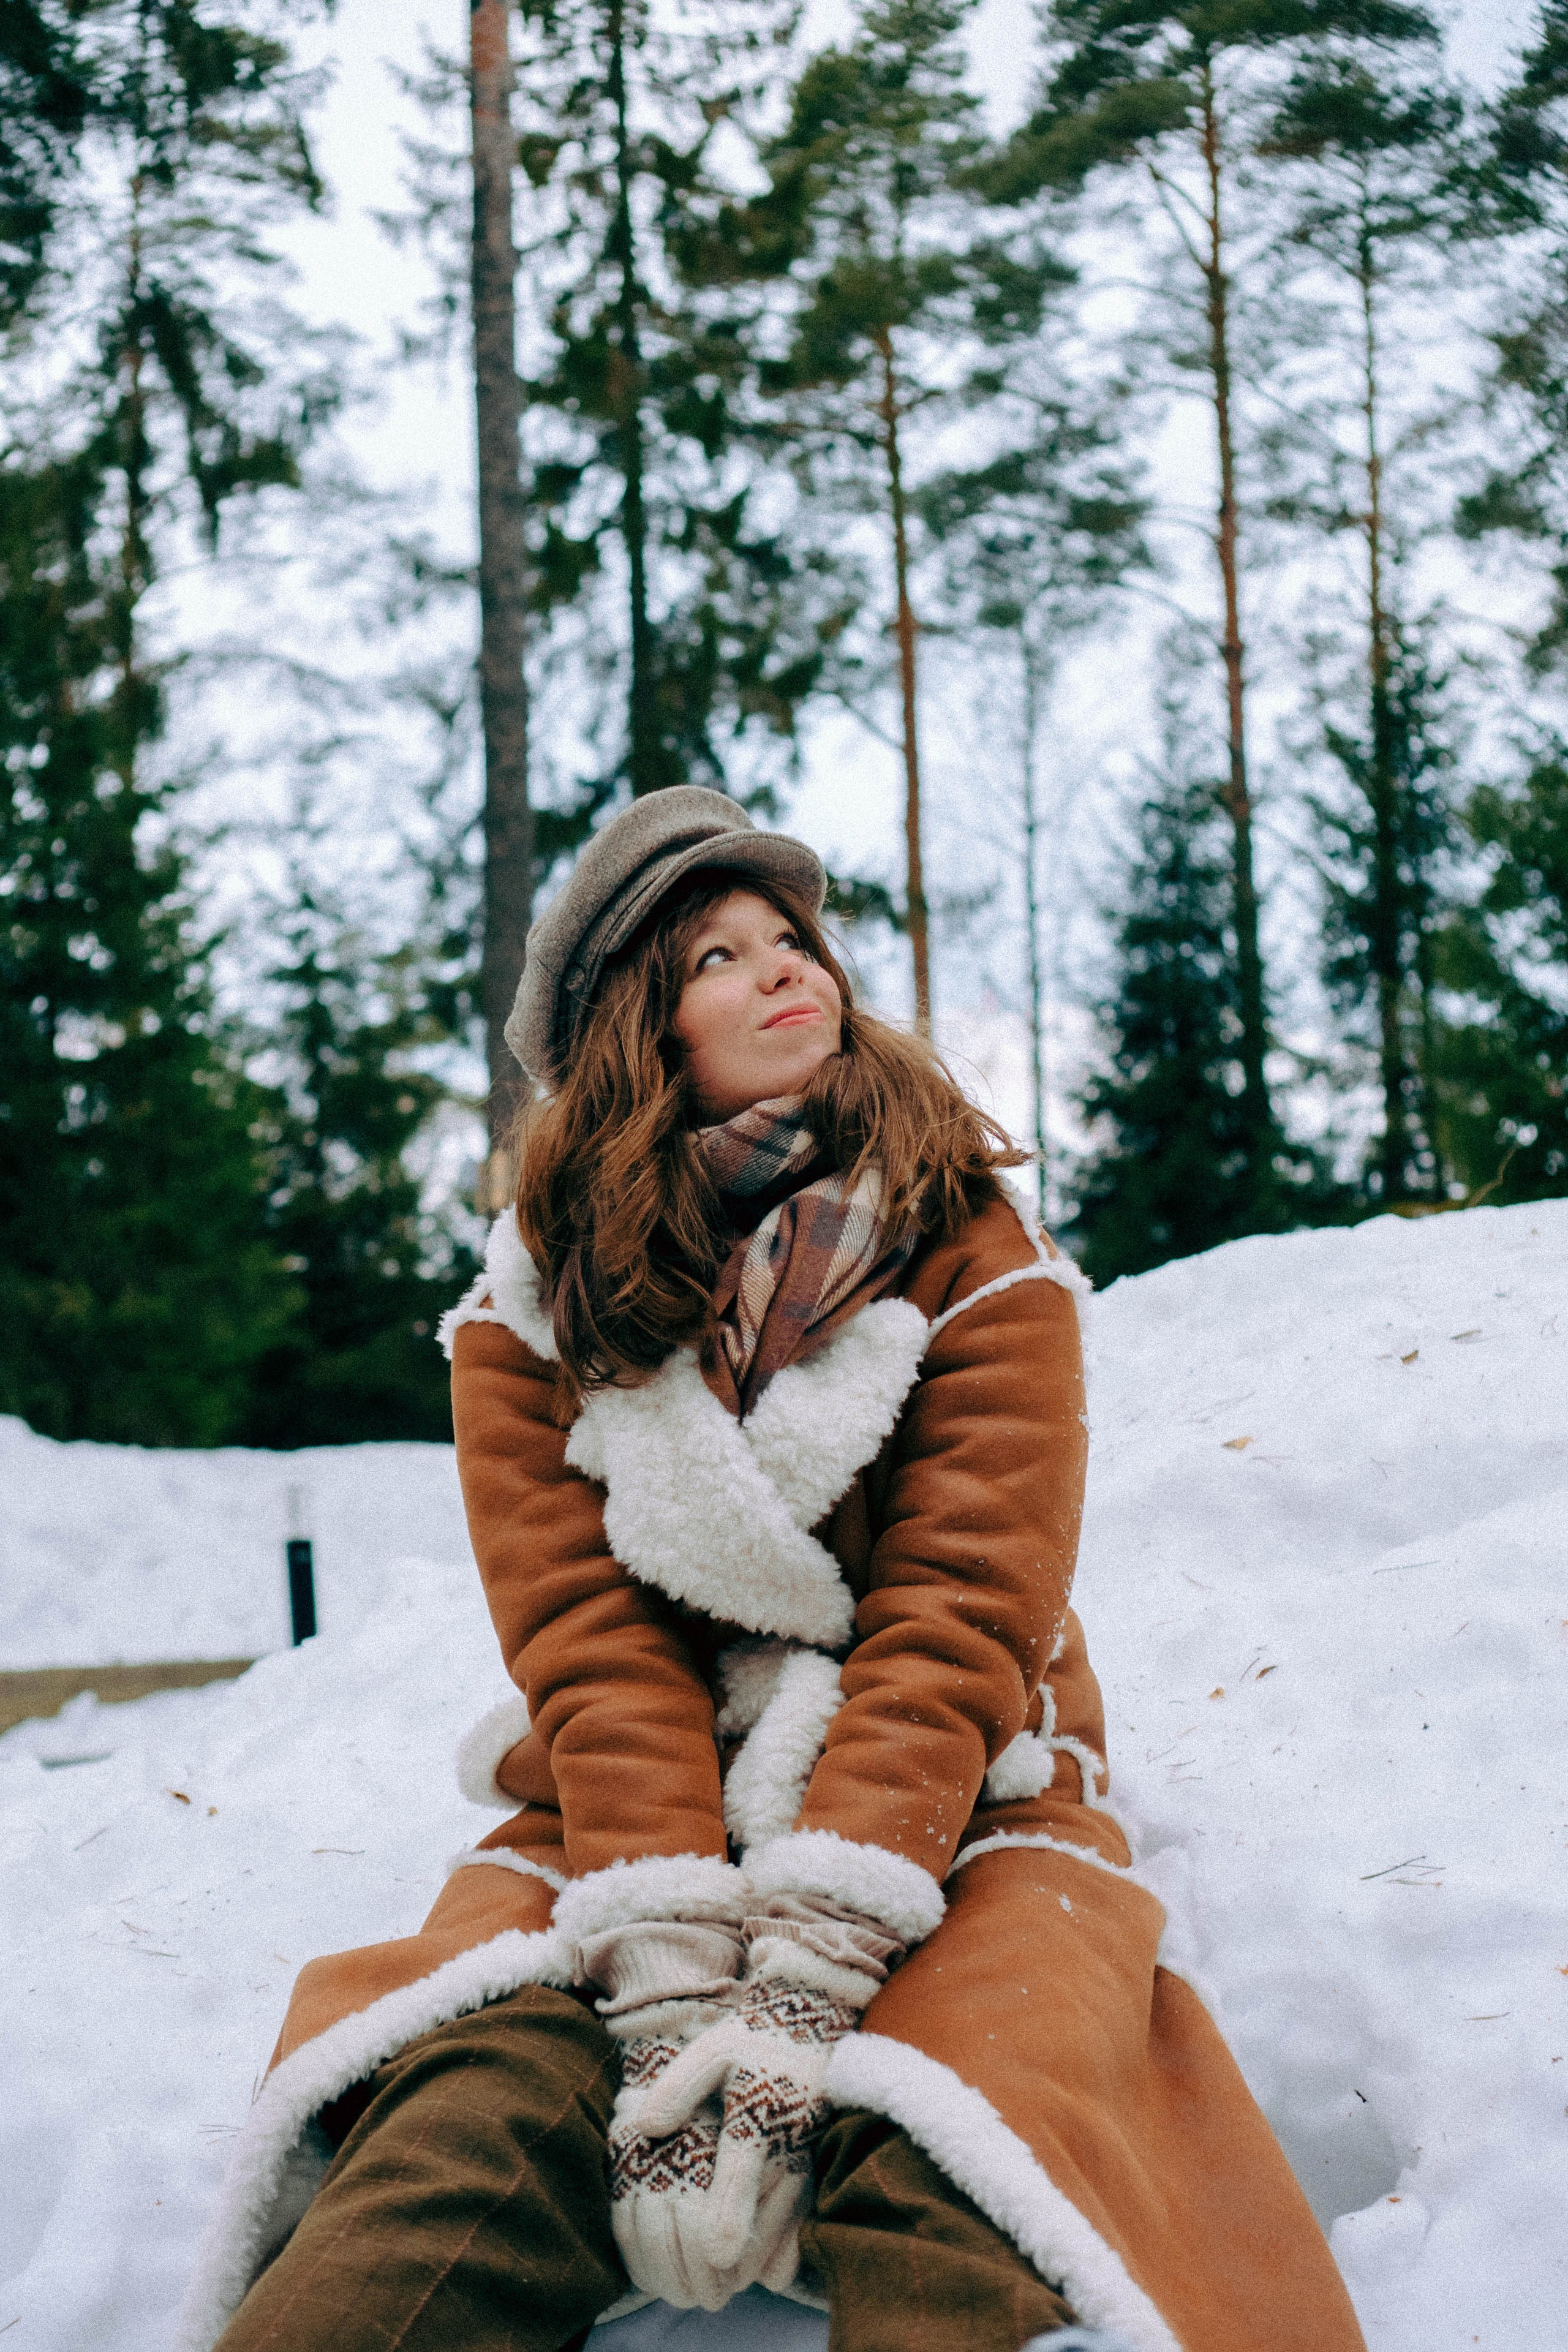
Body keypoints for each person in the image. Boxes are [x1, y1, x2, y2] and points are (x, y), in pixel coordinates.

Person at [179, 790, 1366, 2352]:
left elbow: (961, 1618)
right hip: (633, 1812)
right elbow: (591, 1650)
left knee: (969, 2129)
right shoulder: (528, 1317)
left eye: (792, 938)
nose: (783, 969)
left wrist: (809, 1968)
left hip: (947, 1787)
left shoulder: (972, 1255)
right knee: (463, 2120)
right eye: (717, 956)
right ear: (635, 1035)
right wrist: (670, 1974)